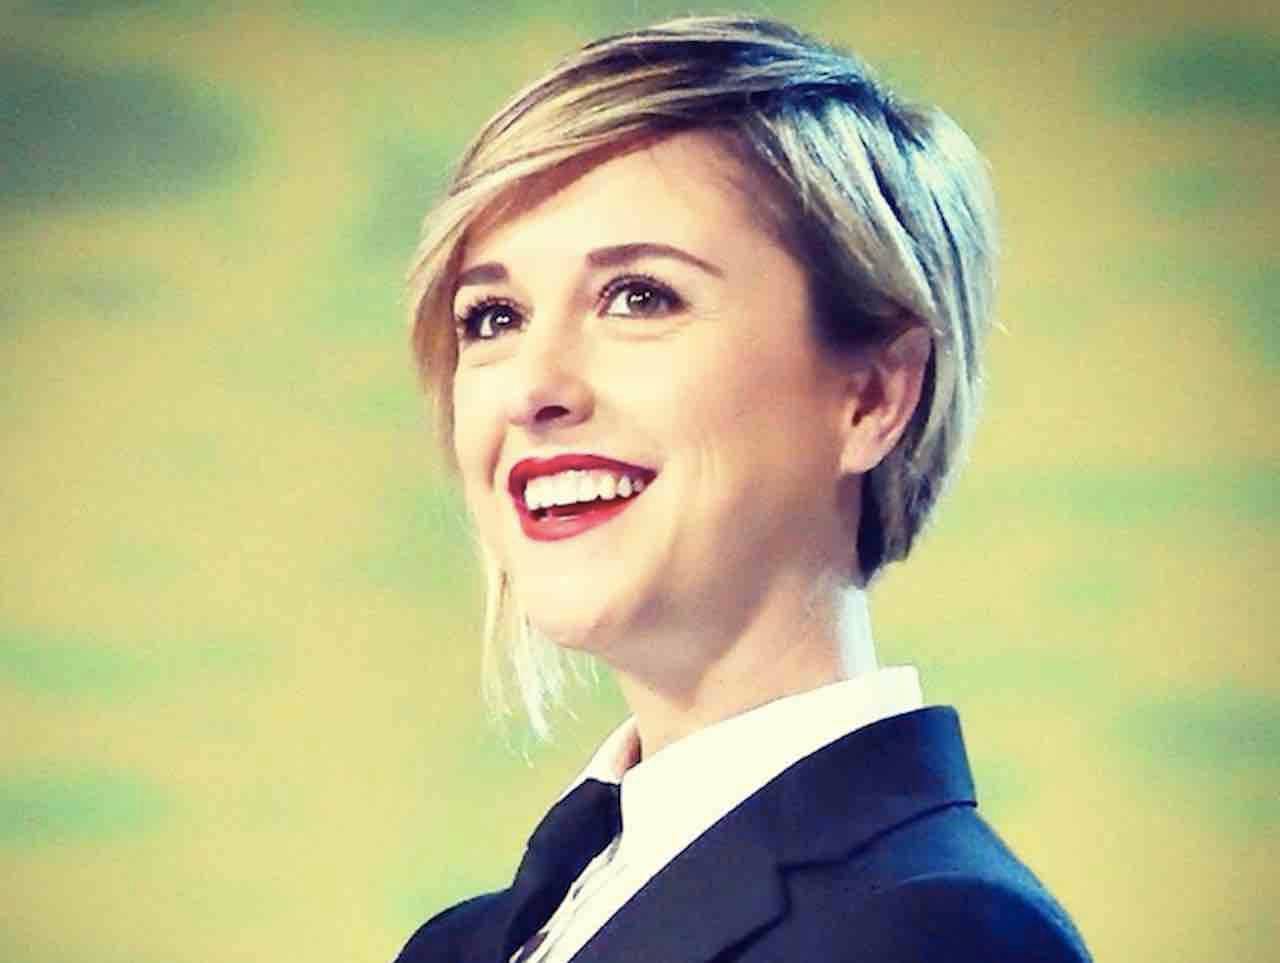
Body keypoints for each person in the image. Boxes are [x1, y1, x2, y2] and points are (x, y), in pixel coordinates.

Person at [395, 15, 1092, 963]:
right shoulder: (460, 944)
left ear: (873, 395)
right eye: (493, 315)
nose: (532, 389)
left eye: (640, 296)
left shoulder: (940, 932)